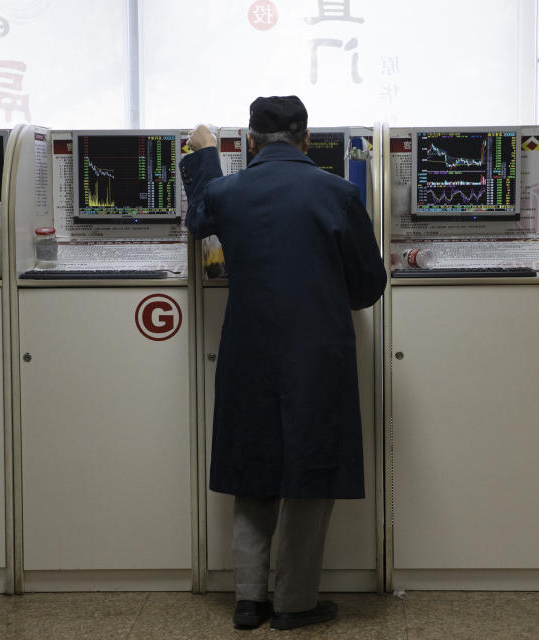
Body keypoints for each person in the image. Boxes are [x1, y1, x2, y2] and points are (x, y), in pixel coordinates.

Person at [180, 96, 386, 631]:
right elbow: (368, 287)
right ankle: (295, 603)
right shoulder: (338, 193)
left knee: (252, 467)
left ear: (249, 141)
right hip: (317, 355)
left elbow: (198, 220)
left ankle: (249, 600)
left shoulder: (226, 190)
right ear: (307, 138)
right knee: (310, 474)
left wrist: (204, 157)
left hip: (246, 351)